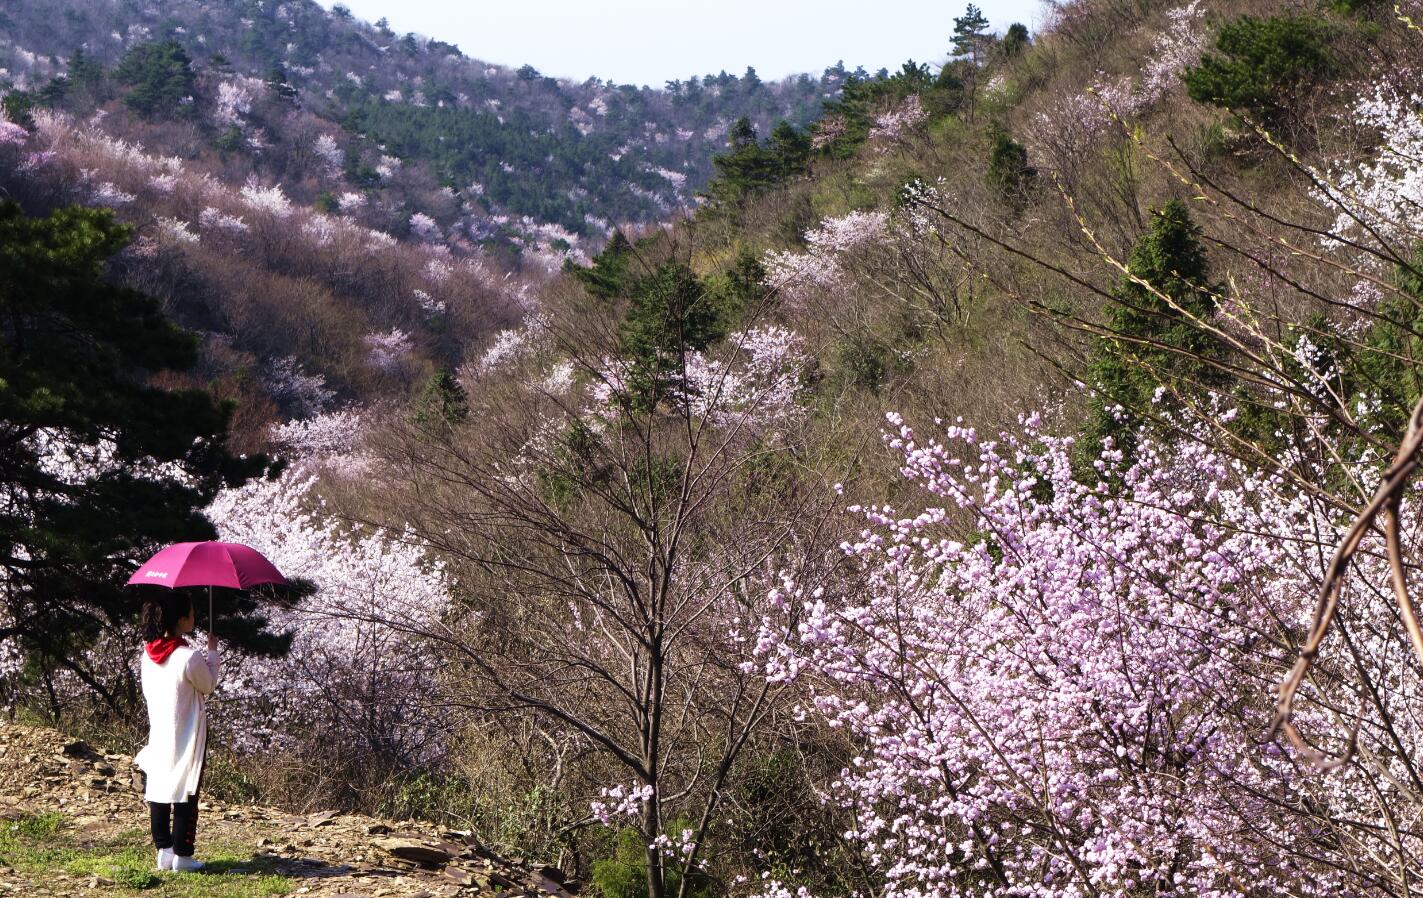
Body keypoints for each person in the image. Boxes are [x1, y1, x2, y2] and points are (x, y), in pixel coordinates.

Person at [134, 591, 220, 873]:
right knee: (187, 788)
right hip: (186, 732)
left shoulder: (147, 654)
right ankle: (183, 854)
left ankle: (164, 850)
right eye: (192, 614)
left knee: (159, 786)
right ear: (181, 619)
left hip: (160, 728)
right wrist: (212, 651)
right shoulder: (187, 656)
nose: (194, 618)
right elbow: (207, 685)